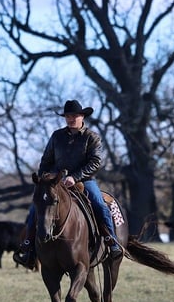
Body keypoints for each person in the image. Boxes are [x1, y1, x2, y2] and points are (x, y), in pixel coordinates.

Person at [13, 99, 123, 268]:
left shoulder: (92, 137)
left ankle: (112, 242)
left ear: (82, 116)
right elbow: (46, 160)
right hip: (56, 182)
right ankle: (28, 247)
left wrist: (75, 177)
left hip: (84, 181)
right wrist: (45, 179)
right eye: (68, 116)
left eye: (74, 116)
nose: (71, 119)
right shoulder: (57, 136)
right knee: (35, 207)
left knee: (99, 205)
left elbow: (95, 162)